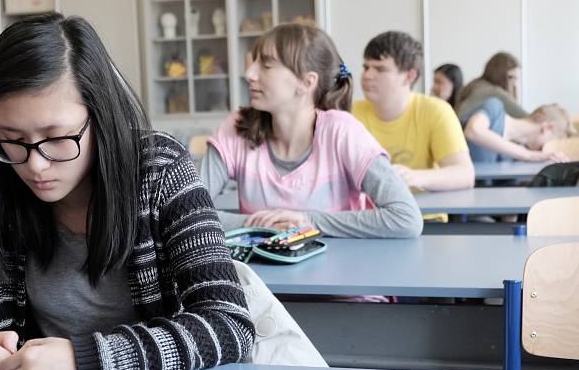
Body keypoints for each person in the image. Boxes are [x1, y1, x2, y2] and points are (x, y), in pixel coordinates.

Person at [0, 13, 254, 370]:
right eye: (13, 139)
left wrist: (90, 363)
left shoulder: (161, 170)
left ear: (100, 117)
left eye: (57, 138)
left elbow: (228, 322)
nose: (35, 165)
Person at [202, 23, 422, 239]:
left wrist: (307, 222)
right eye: (254, 62)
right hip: (258, 274)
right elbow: (180, 210)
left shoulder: (342, 131)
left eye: (266, 65)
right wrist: (264, 227)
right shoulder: (238, 126)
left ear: (306, 83)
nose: (249, 73)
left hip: (339, 272)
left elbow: (406, 218)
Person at [352, 31, 474, 192]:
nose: (367, 75)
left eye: (380, 69)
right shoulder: (349, 113)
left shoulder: (436, 110)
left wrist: (415, 177)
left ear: (409, 76)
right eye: (366, 67)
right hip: (367, 215)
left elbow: (465, 174)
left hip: (425, 214)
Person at [462, 99, 573, 163]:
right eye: (552, 141)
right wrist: (529, 155)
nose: (545, 149)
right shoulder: (495, 107)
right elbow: (473, 131)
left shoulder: (512, 155)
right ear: (548, 128)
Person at [456, 52, 526, 119]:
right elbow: (526, 119)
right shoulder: (492, 92)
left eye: (516, 79)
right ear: (499, 75)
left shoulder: (476, 84)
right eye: (510, 77)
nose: (515, 84)